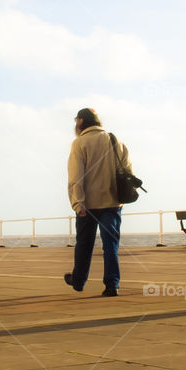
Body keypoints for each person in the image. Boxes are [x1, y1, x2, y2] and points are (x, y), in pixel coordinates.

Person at [64, 107, 132, 297]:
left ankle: (78, 280)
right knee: (111, 245)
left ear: (80, 122)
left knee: (84, 243)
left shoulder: (79, 143)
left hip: (88, 204)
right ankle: (112, 285)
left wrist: (78, 203)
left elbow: (76, 177)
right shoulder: (114, 140)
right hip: (112, 202)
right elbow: (127, 169)